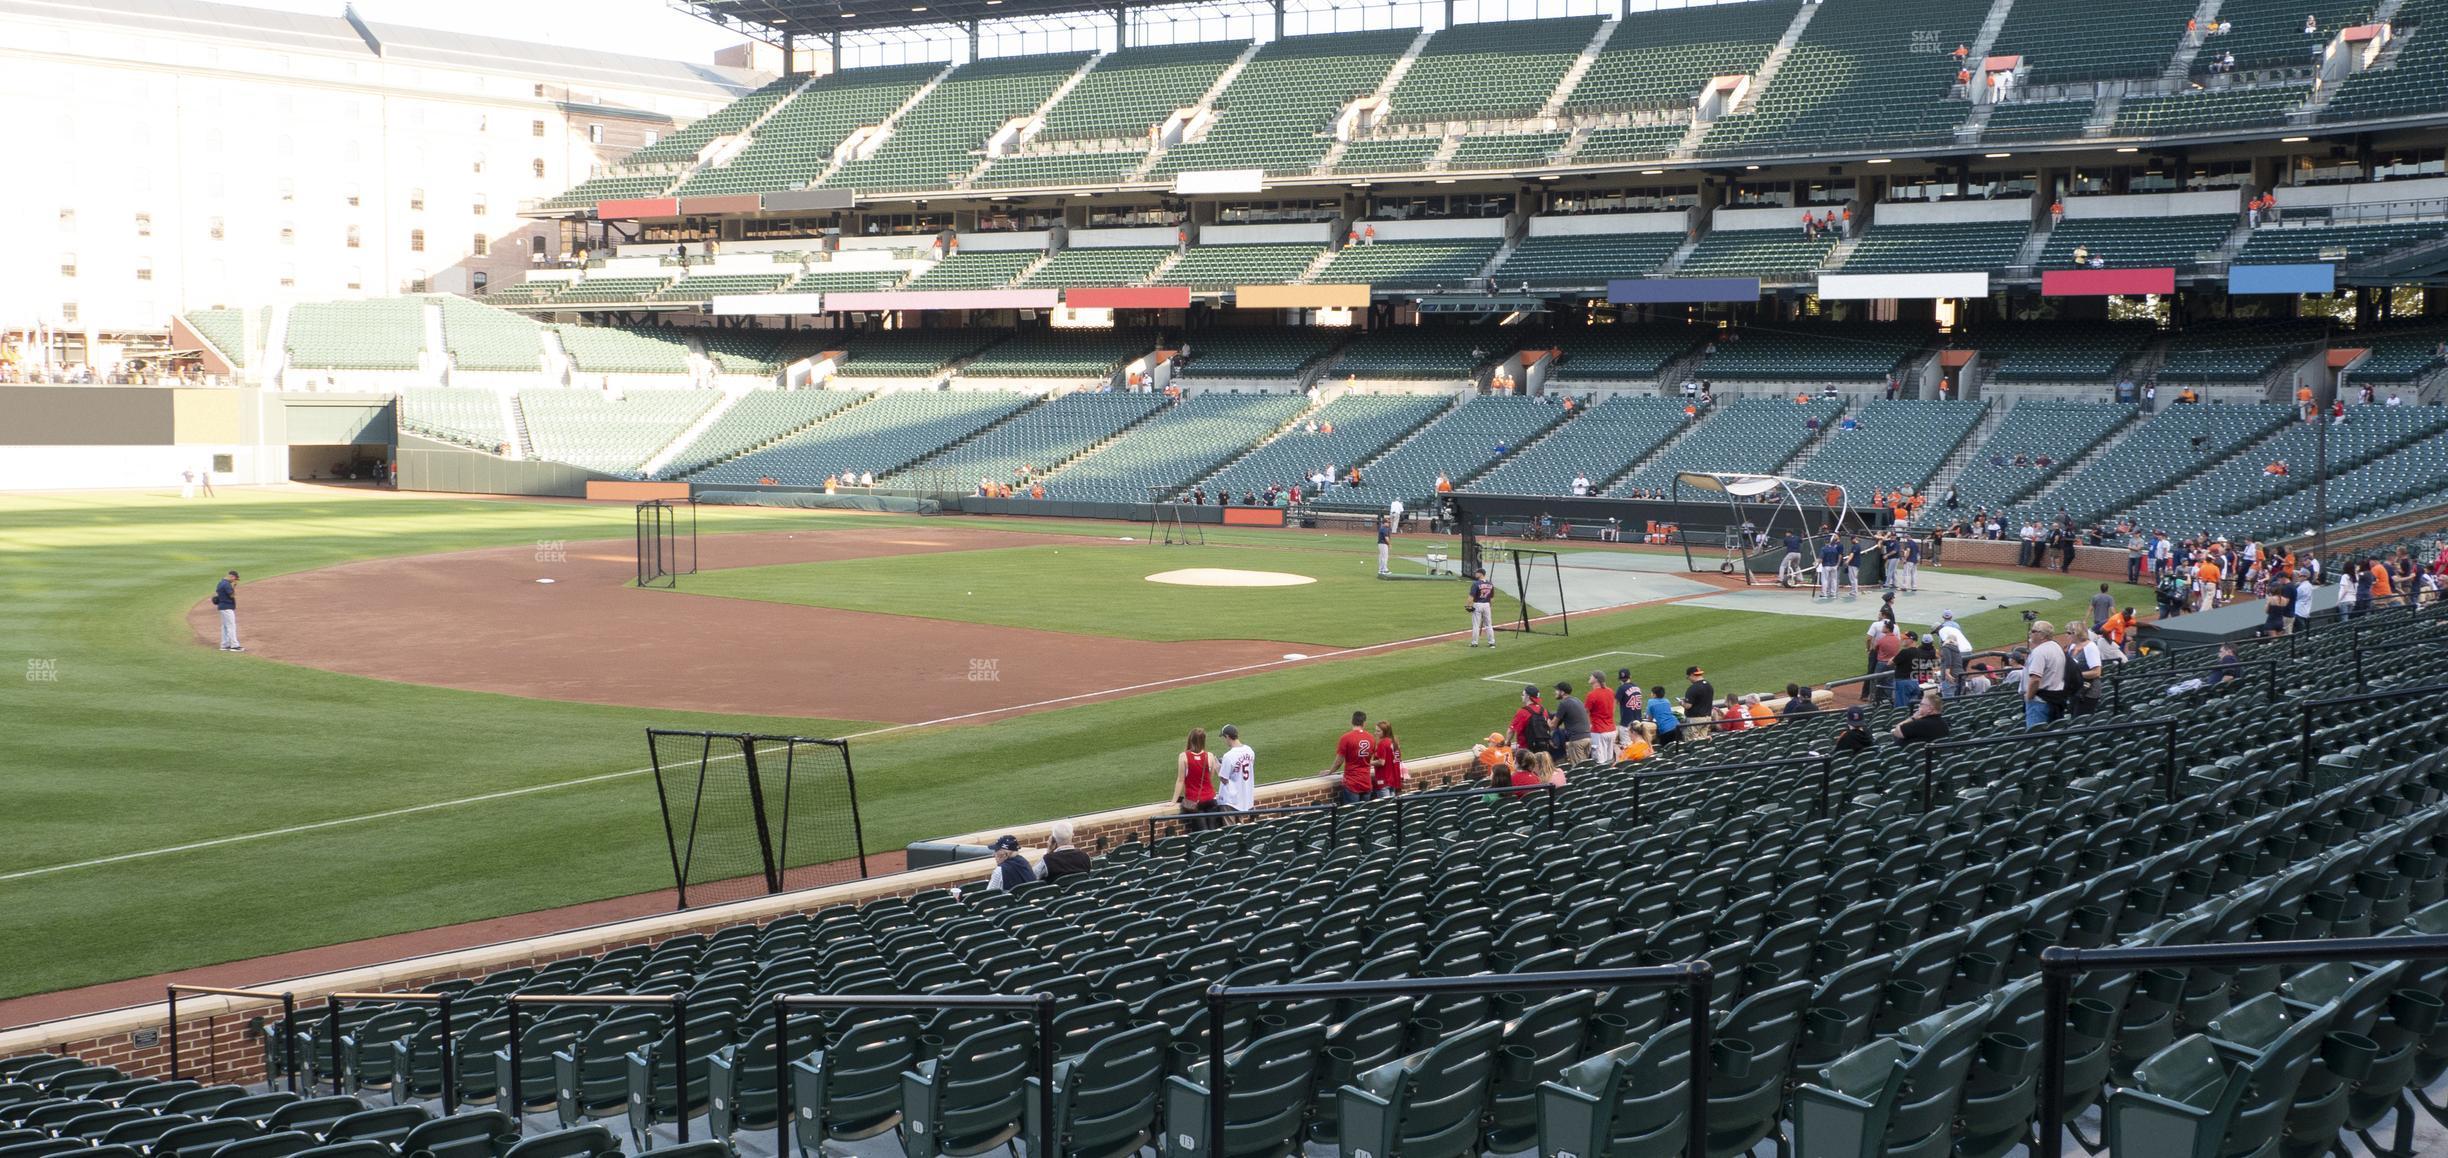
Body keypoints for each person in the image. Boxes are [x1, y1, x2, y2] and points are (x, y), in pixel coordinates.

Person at [1174, 727, 1222, 831]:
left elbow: (1180, 780)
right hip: (1210, 799)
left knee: (1202, 832)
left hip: (1194, 801)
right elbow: (1210, 778)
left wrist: (1173, 801)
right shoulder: (1210, 756)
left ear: (1191, 739)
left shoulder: (1183, 756)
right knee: (1213, 830)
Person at [2022, 620, 2066, 728]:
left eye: (2033, 631)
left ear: (2042, 635)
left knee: (2035, 738)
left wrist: (2028, 696)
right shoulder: (2056, 647)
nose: (2030, 633)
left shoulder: (2039, 652)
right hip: (2055, 699)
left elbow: (2035, 679)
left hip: (2039, 702)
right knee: (2050, 738)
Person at [1328, 710, 1375, 804]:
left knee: (1351, 814)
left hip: (1352, 783)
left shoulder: (1346, 738)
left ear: (1352, 721)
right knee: (1364, 813)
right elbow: (1371, 759)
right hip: (1366, 782)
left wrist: (1330, 771)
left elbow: (1339, 762)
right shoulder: (1371, 738)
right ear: (1364, 723)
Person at [1215, 724, 1255, 815]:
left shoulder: (1229, 756)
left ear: (1228, 737)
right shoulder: (1250, 750)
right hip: (1243, 798)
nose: (1225, 741)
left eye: (1224, 738)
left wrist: (1217, 767)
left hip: (1230, 800)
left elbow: (1224, 779)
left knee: (1230, 828)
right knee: (1240, 827)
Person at [1551, 681, 1593, 764]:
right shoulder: (1577, 700)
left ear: (1562, 692)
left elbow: (1553, 725)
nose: (1555, 692)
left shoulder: (1564, 703)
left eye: (1557, 690)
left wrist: (1548, 722)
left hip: (1577, 740)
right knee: (1586, 766)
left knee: (1579, 768)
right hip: (1588, 737)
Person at [1584, 672, 1619, 764]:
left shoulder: (1592, 695)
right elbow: (1613, 709)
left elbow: (1586, 712)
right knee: (1610, 760)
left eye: (1591, 676)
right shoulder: (1610, 691)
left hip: (1599, 731)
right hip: (1611, 730)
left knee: (1599, 762)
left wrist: (1589, 726)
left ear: (1596, 679)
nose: (1589, 677)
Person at [210, 569, 245, 652]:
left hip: (222, 607)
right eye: (235, 578)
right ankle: (234, 646)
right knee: (231, 626)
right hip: (227, 608)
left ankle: (224, 645)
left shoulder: (221, 583)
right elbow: (232, 595)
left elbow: (216, 595)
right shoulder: (227, 584)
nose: (235, 580)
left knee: (225, 627)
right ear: (231, 576)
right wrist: (234, 586)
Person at [1466, 567, 1498, 647]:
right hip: (1487, 604)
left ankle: (1474, 643)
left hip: (1477, 604)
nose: (1475, 574)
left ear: (1481, 574)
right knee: (1489, 625)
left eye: (1477, 572)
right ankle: (1492, 642)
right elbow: (1492, 598)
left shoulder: (1476, 583)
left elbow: (1471, 597)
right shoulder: (1490, 584)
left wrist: (1468, 605)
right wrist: (1489, 606)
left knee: (1476, 625)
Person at [1371, 721, 1403, 798]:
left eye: (1378, 731)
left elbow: (1381, 762)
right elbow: (1398, 758)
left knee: (1386, 807)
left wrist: (1369, 762)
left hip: (1384, 780)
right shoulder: (1395, 741)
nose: (1375, 733)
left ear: (1385, 732)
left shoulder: (1382, 743)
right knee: (1392, 806)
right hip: (1394, 779)